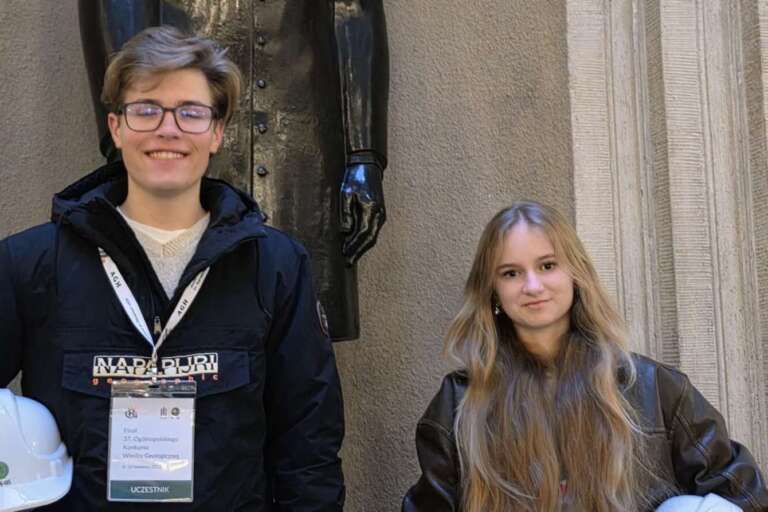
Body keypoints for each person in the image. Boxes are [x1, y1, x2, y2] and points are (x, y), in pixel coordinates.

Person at [0, 26, 344, 511]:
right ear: (116, 128)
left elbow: (308, 447)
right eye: (146, 110)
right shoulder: (29, 263)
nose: (168, 129)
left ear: (217, 132)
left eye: (190, 112)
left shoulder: (275, 266)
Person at [402, 201, 768, 511]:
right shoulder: (459, 402)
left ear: (575, 274)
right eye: (511, 273)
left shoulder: (653, 387)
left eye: (547, 265)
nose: (533, 286)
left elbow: (743, 495)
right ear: (493, 290)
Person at [78, 0, 390, 341]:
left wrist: (364, 155)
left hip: (302, 121)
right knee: (175, 328)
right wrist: (129, 147)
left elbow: (354, 11)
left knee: (299, 329)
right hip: (183, 114)